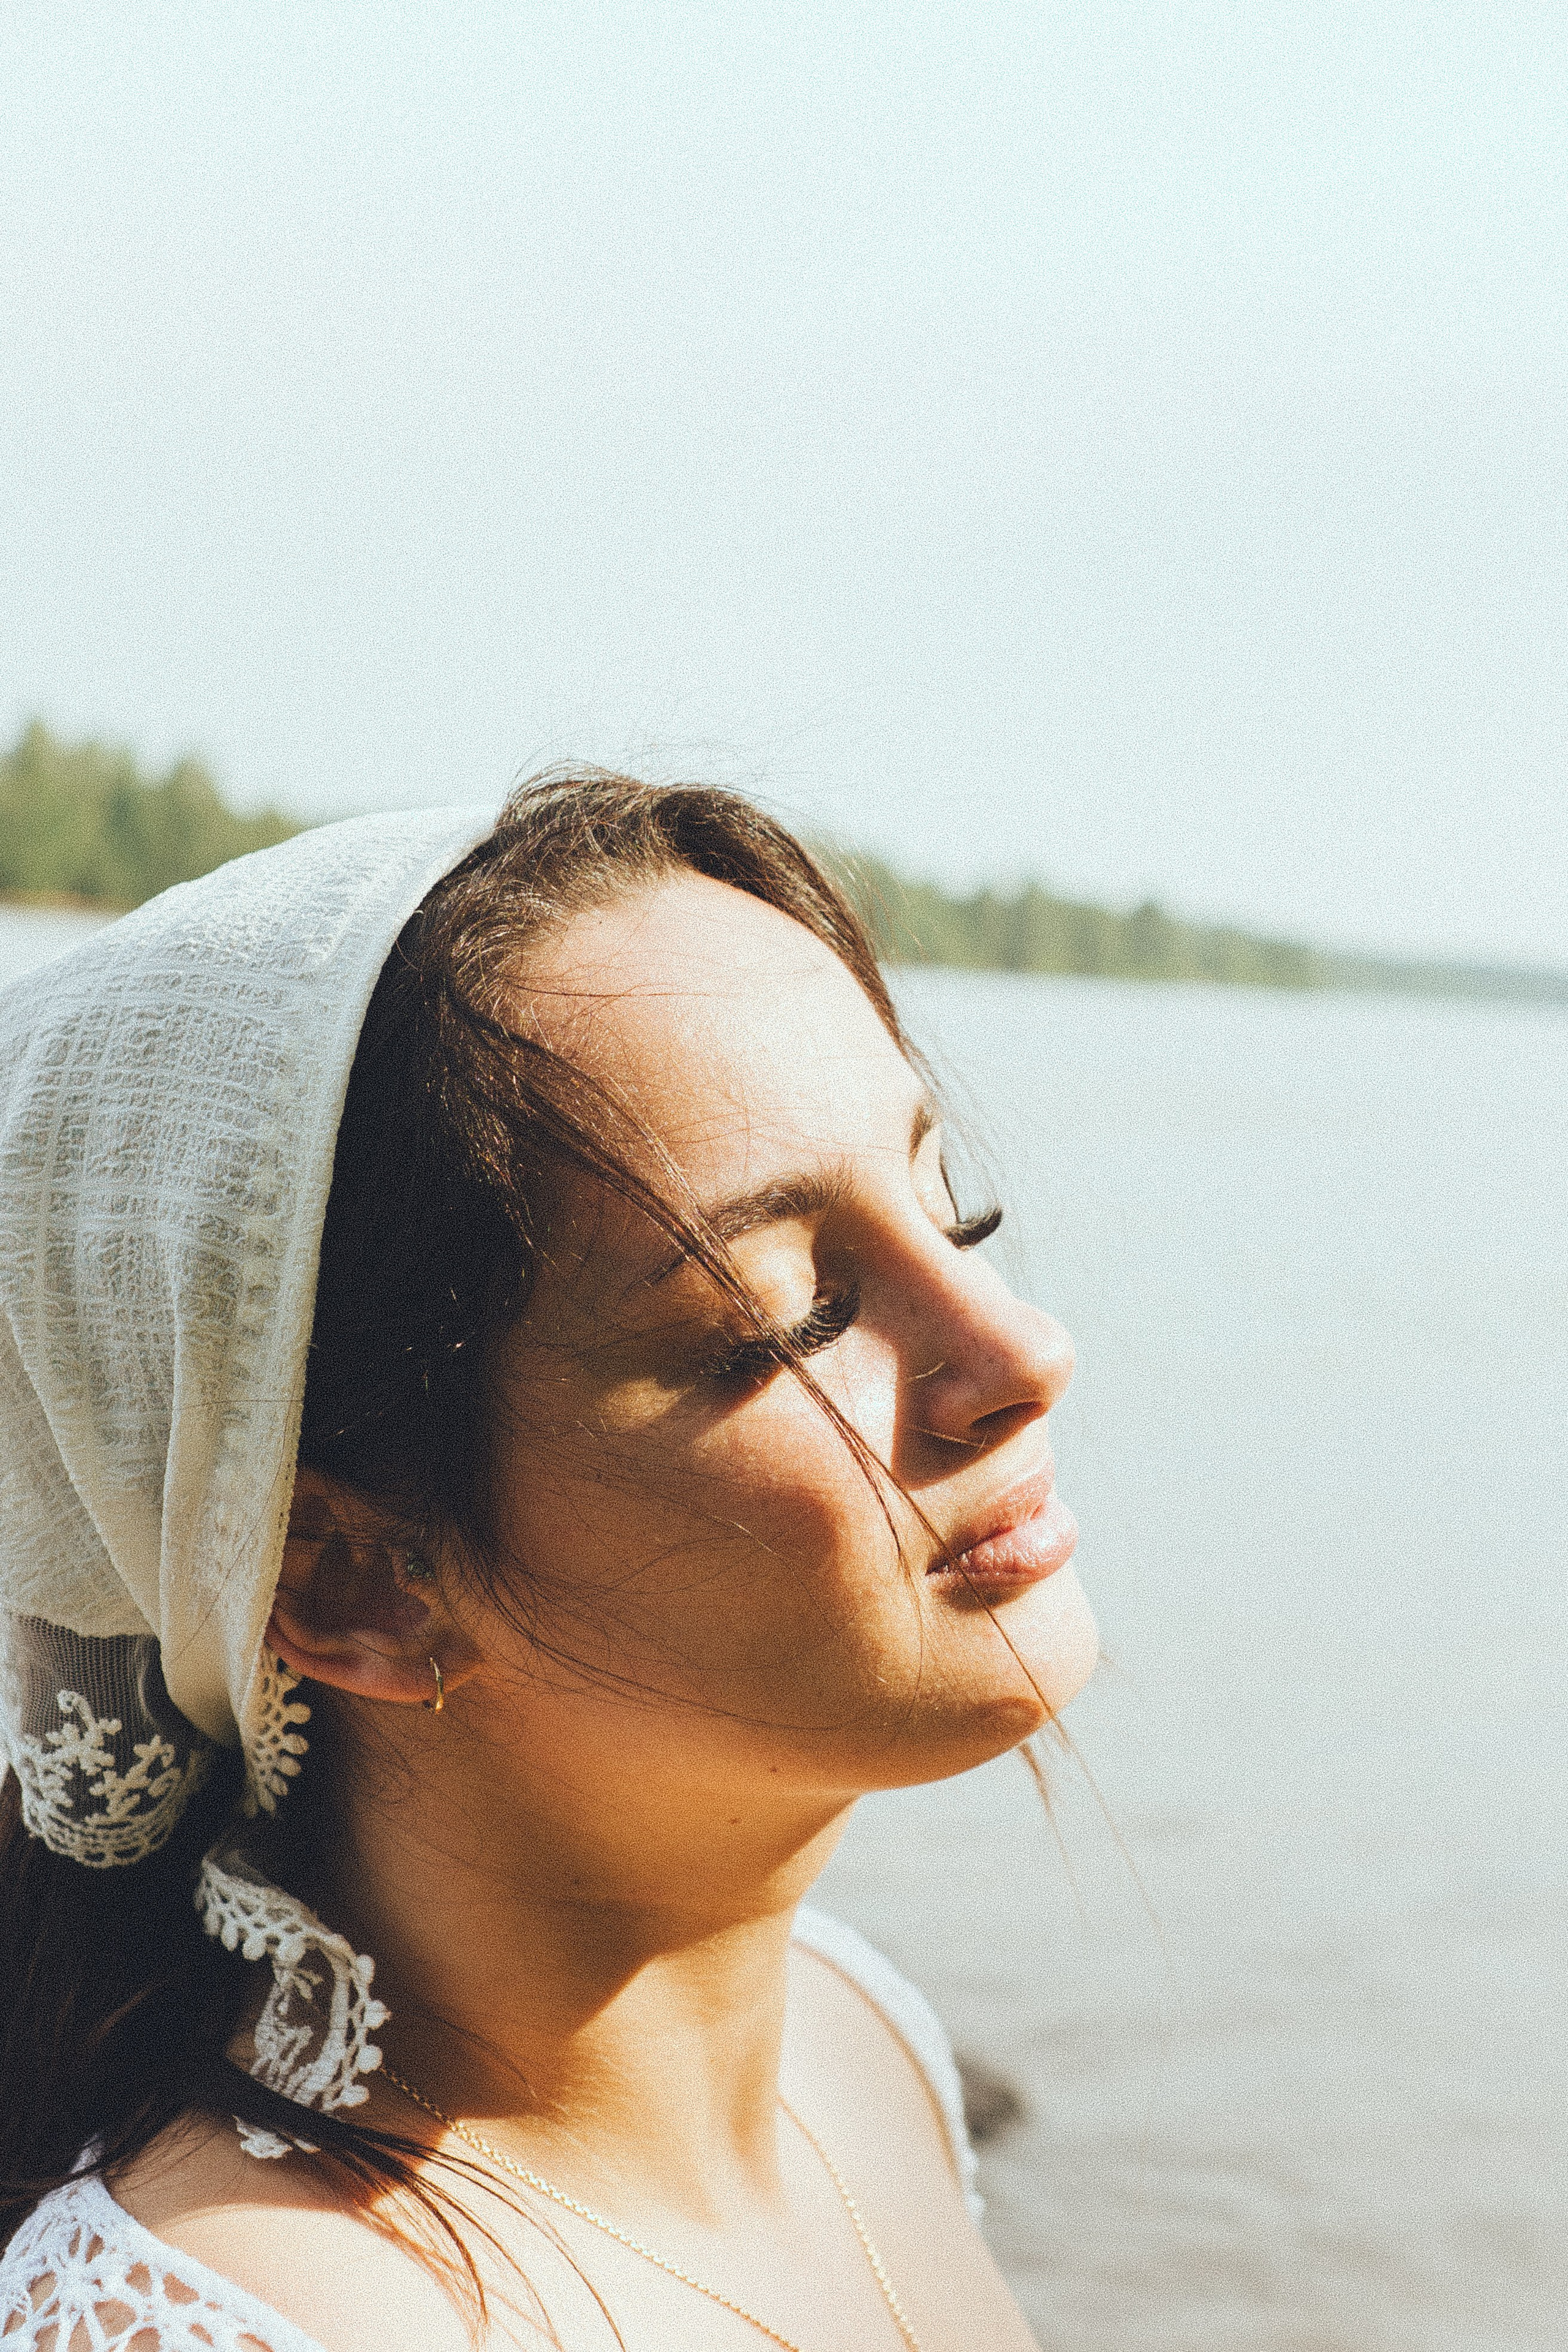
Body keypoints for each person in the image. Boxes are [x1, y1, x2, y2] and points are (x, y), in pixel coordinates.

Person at [0, 774, 1098, 2351]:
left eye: (950, 1206)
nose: (1020, 1351)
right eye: (782, 1319)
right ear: (352, 1582)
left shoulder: (860, 2047)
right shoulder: (236, 2319)